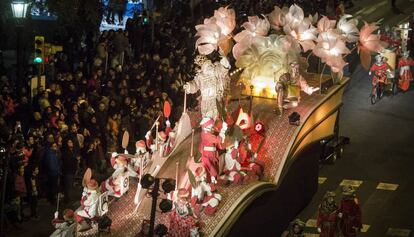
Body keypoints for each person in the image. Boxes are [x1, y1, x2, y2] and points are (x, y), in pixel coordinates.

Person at [199, 117, 227, 184]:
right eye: (211, 125)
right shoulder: (206, 134)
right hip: (208, 154)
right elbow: (218, 139)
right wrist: (223, 130)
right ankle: (212, 184)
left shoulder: (207, 132)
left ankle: (214, 181)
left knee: (215, 167)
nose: (212, 126)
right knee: (211, 170)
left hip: (212, 153)